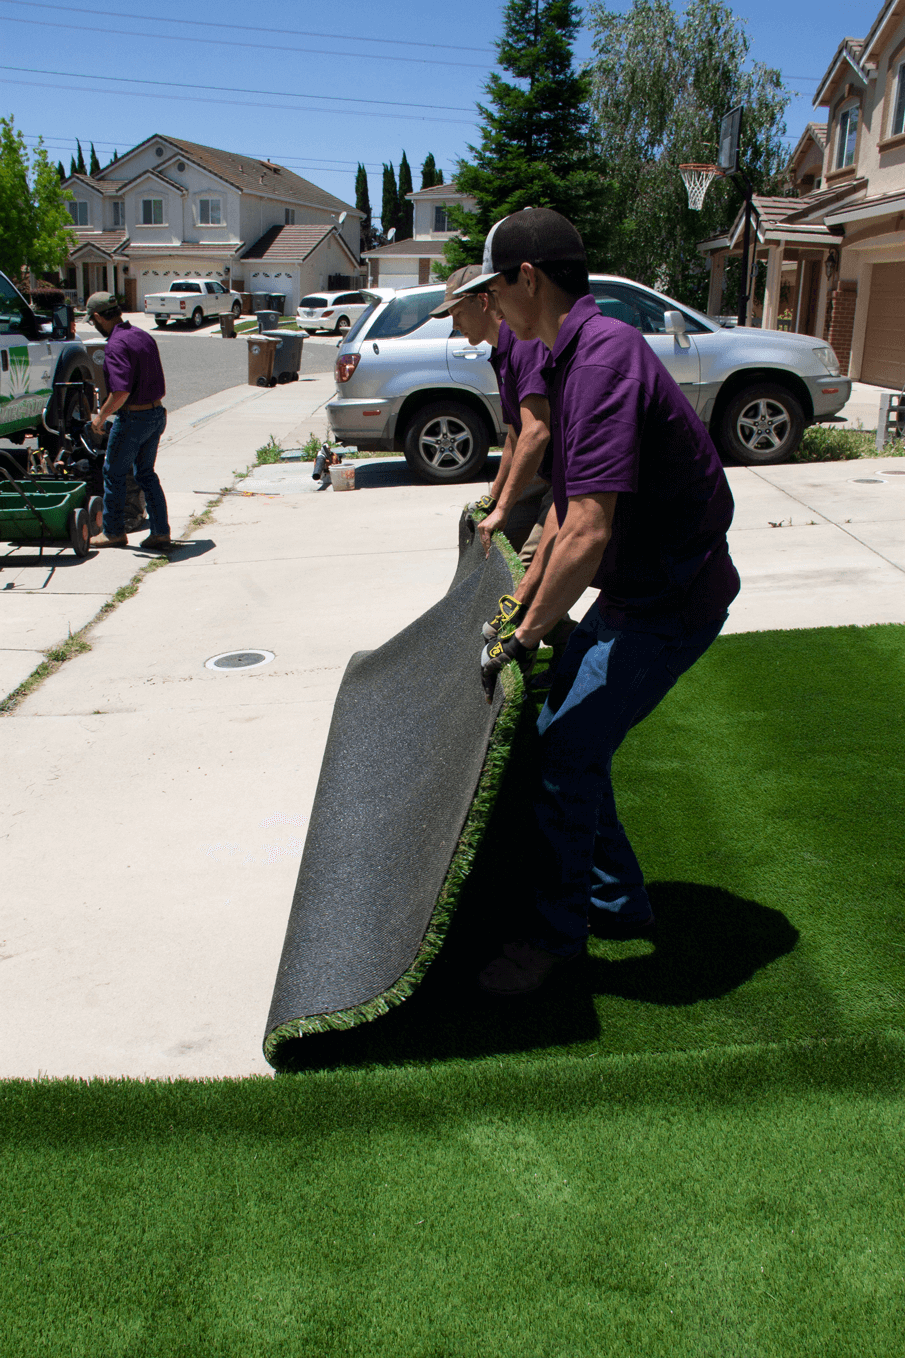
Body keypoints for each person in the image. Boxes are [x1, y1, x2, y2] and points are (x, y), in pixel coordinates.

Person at [455, 208, 741, 995]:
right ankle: (617, 903)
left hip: (671, 599)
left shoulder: (601, 358)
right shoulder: (569, 350)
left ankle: (555, 938)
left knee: (563, 751)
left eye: (492, 288)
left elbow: (587, 527)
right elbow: (560, 510)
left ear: (527, 279)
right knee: (566, 742)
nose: (490, 309)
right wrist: (522, 595)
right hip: (633, 586)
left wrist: (517, 637)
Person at [85, 292, 171, 551]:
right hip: (156, 414)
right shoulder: (141, 336)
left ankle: (113, 532)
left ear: (99, 317)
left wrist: (100, 418)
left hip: (133, 417)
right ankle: (160, 532)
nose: (95, 324)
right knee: (146, 474)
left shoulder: (115, 344)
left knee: (113, 473)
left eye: (93, 320)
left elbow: (120, 392)